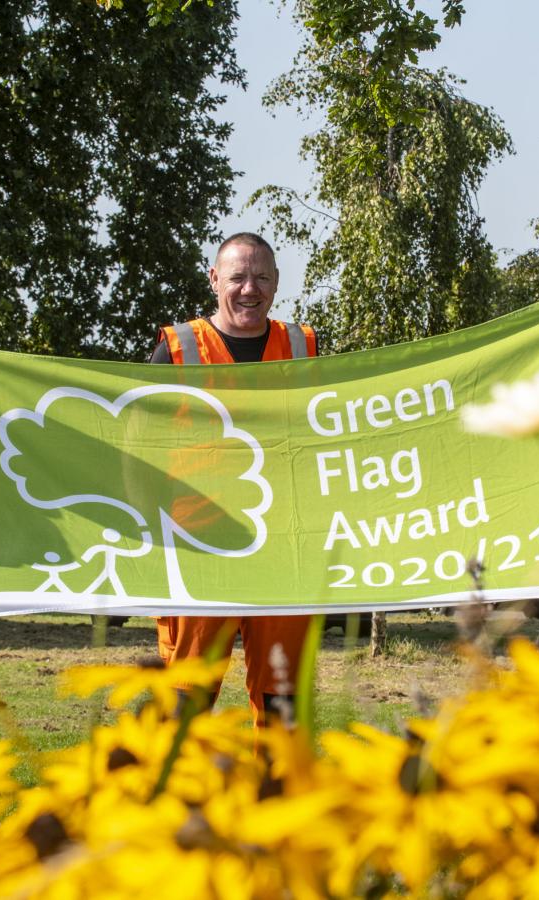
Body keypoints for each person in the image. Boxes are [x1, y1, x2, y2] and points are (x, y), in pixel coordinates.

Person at [150, 232, 318, 725]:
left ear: (277, 283)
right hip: (201, 553)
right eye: (238, 277)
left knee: (282, 698)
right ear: (214, 280)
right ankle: (180, 800)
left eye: (262, 277)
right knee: (187, 698)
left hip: (283, 554)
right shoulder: (177, 349)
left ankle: (279, 795)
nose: (250, 289)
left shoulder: (303, 346)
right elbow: (137, 446)